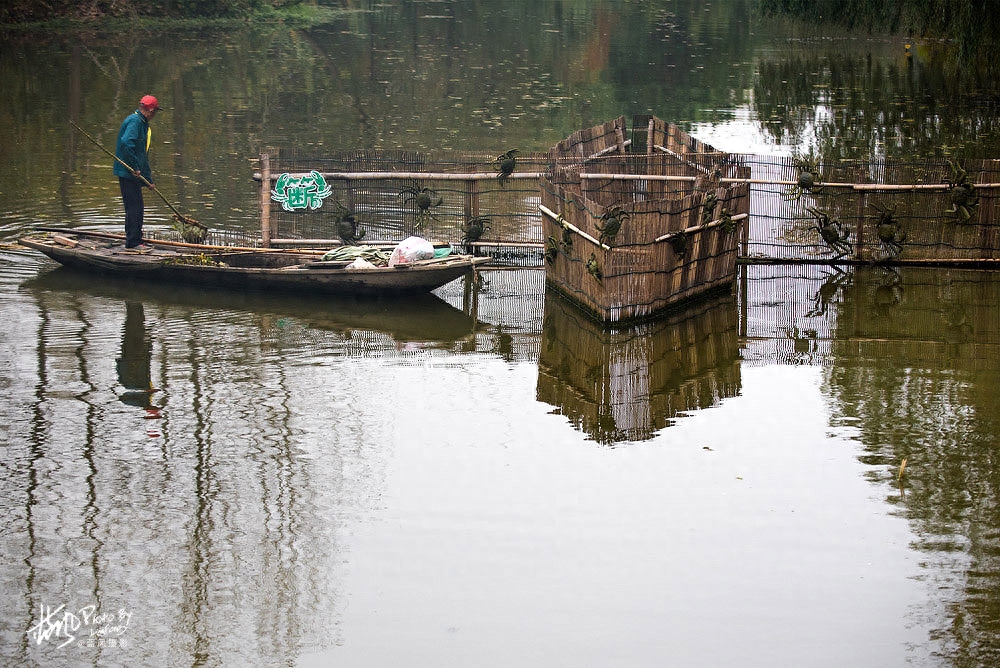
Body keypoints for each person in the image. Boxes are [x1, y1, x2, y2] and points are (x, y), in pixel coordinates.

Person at [114, 94, 160, 248]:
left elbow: (142, 155)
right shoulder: (135, 122)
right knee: (134, 208)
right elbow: (127, 143)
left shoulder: (142, 123)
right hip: (127, 172)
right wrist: (134, 167)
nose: (154, 115)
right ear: (151, 111)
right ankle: (133, 242)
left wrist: (148, 180)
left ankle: (136, 239)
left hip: (134, 173)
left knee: (138, 207)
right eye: (155, 112)